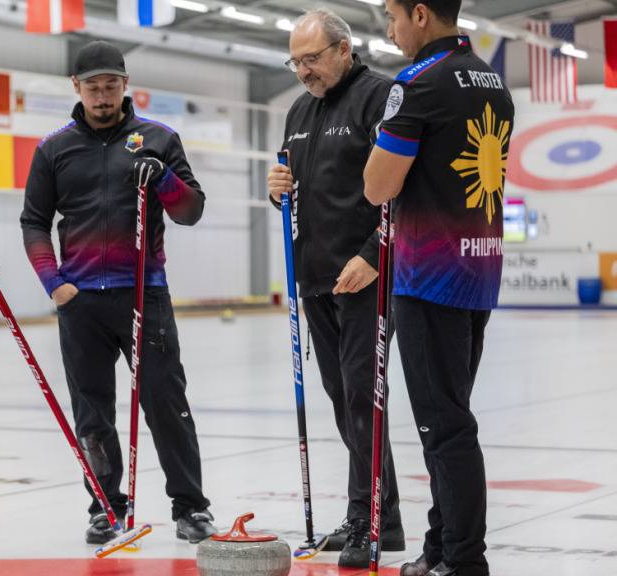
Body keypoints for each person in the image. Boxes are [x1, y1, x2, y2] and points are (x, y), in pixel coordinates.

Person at [20, 40, 217, 545]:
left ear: (127, 86)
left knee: (166, 401)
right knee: (92, 412)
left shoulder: (159, 138)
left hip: (143, 296)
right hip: (80, 301)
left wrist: (165, 178)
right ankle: (106, 505)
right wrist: (54, 283)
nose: (103, 97)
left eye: (111, 86)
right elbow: (35, 223)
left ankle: (191, 507)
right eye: (93, 88)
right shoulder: (54, 149)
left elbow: (190, 210)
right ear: (76, 88)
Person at [364, 0, 514, 574]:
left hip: (430, 275)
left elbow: (378, 187)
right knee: (447, 420)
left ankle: (463, 561)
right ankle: (438, 550)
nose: (391, 29)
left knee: (444, 428)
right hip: (479, 268)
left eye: (393, 16)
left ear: (420, 13)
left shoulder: (419, 83)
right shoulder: (492, 81)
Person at [266, 8, 404, 568]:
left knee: (360, 397)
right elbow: (298, 193)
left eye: (312, 59)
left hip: (368, 275)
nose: (303, 71)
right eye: (296, 61)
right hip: (316, 277)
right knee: (345, 402)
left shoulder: (380, 97)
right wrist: (279, 190)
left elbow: (401, 187)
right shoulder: (299, 110)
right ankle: (382, 517)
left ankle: (367, 521)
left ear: (344, 49)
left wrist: (373, 255)